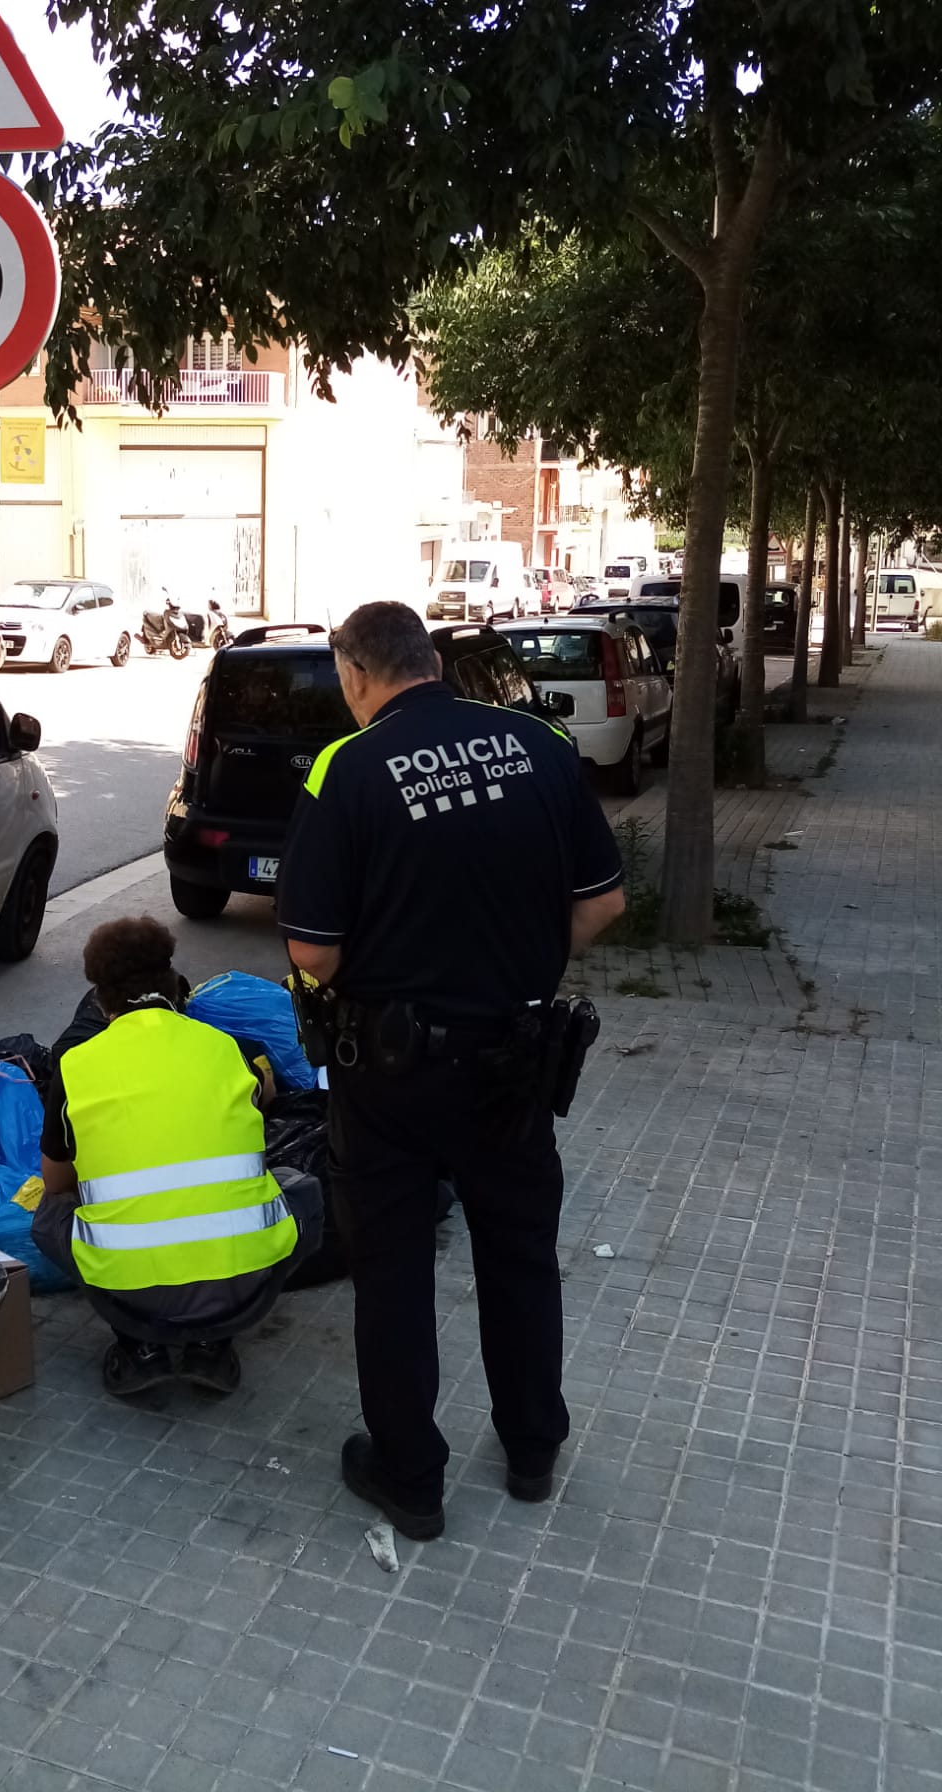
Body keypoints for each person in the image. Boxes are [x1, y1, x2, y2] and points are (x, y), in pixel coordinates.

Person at [276, 601, 624, 1540]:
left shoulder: (344, 768)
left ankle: (411, 1481)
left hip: (390, 1072)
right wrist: (512, 964)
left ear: (355, 675)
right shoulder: (538, 743)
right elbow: (604, 902)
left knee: (391, 1272)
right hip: (515, 1055)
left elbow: (310, 950)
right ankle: (532, 1449)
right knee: (519, 1255)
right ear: (432, 662)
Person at [32, 917, 321, 1396]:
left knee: (49, 1217)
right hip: (241, 1289)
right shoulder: (224, 1047)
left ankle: (139, 1346)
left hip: (131, 1288)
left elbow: (57, 1181)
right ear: (175, 988)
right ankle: (212, 1344)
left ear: (102, 1002)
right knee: (303, 1191)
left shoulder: (76, 1065)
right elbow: (265, 1093)